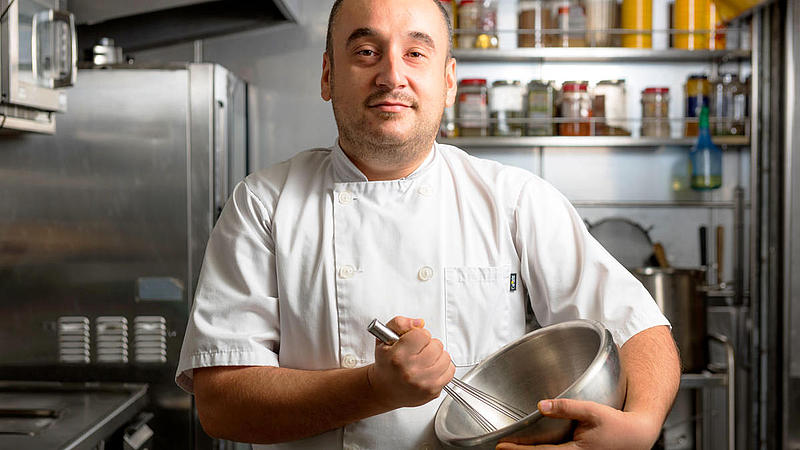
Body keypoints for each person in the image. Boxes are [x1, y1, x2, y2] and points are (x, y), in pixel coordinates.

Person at [176, 0, 681, 448]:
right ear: (328, 75)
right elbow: (222, 404)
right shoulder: (264, 204)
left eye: (416, 53)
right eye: (366, 52)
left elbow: (639, 328)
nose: (392, 75)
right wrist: (373, 389)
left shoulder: (513, 200)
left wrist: (641, 425)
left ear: (448, 80)